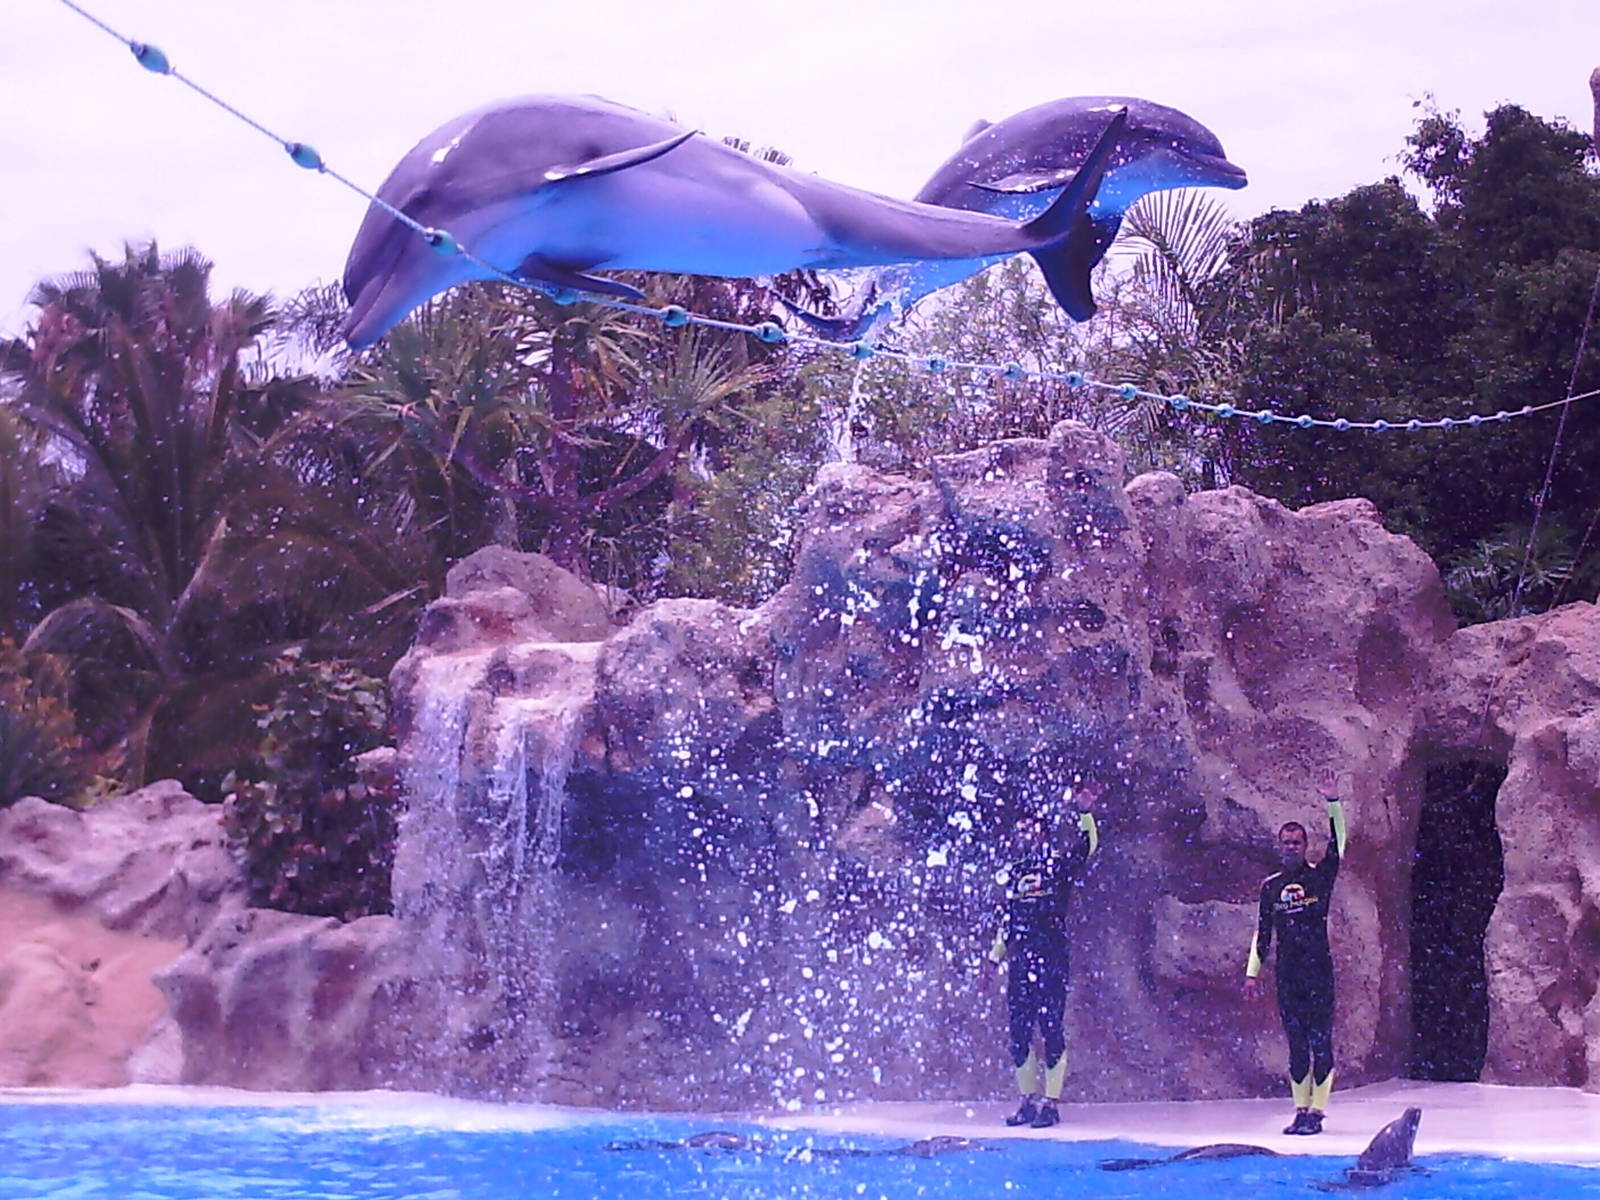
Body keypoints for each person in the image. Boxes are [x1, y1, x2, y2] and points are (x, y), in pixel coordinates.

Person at [980, 780, 1101, 1129]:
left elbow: (1087, 848)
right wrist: (992, 959)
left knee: (1051, 1028)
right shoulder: (1016, 873)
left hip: (1051, 958)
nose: (1023, 836)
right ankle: (1026, 1102)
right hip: (1020, 961)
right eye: (1019, 832)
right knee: (1019, 1032)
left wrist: (1085, 812)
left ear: (1043, 832)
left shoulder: (1058, 866)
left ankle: (1051, 1103)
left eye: (1028, 830)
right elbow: (1009, 920)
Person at [1243, 772, 1349, 1136]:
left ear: (1305, 846)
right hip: (1287, 975)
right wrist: (1252, 974)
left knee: (1320, 1040)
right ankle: (1300, 1110)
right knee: (1296, 1046)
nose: (1291, 847)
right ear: (1280, 845)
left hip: (1317, 971)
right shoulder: (1270, 888)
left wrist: (1333, 802)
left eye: (1297, 842)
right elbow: (1263, 932)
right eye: (1286, 842)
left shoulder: (1319, 877)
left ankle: (1318, 1112)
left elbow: (1340, 845)